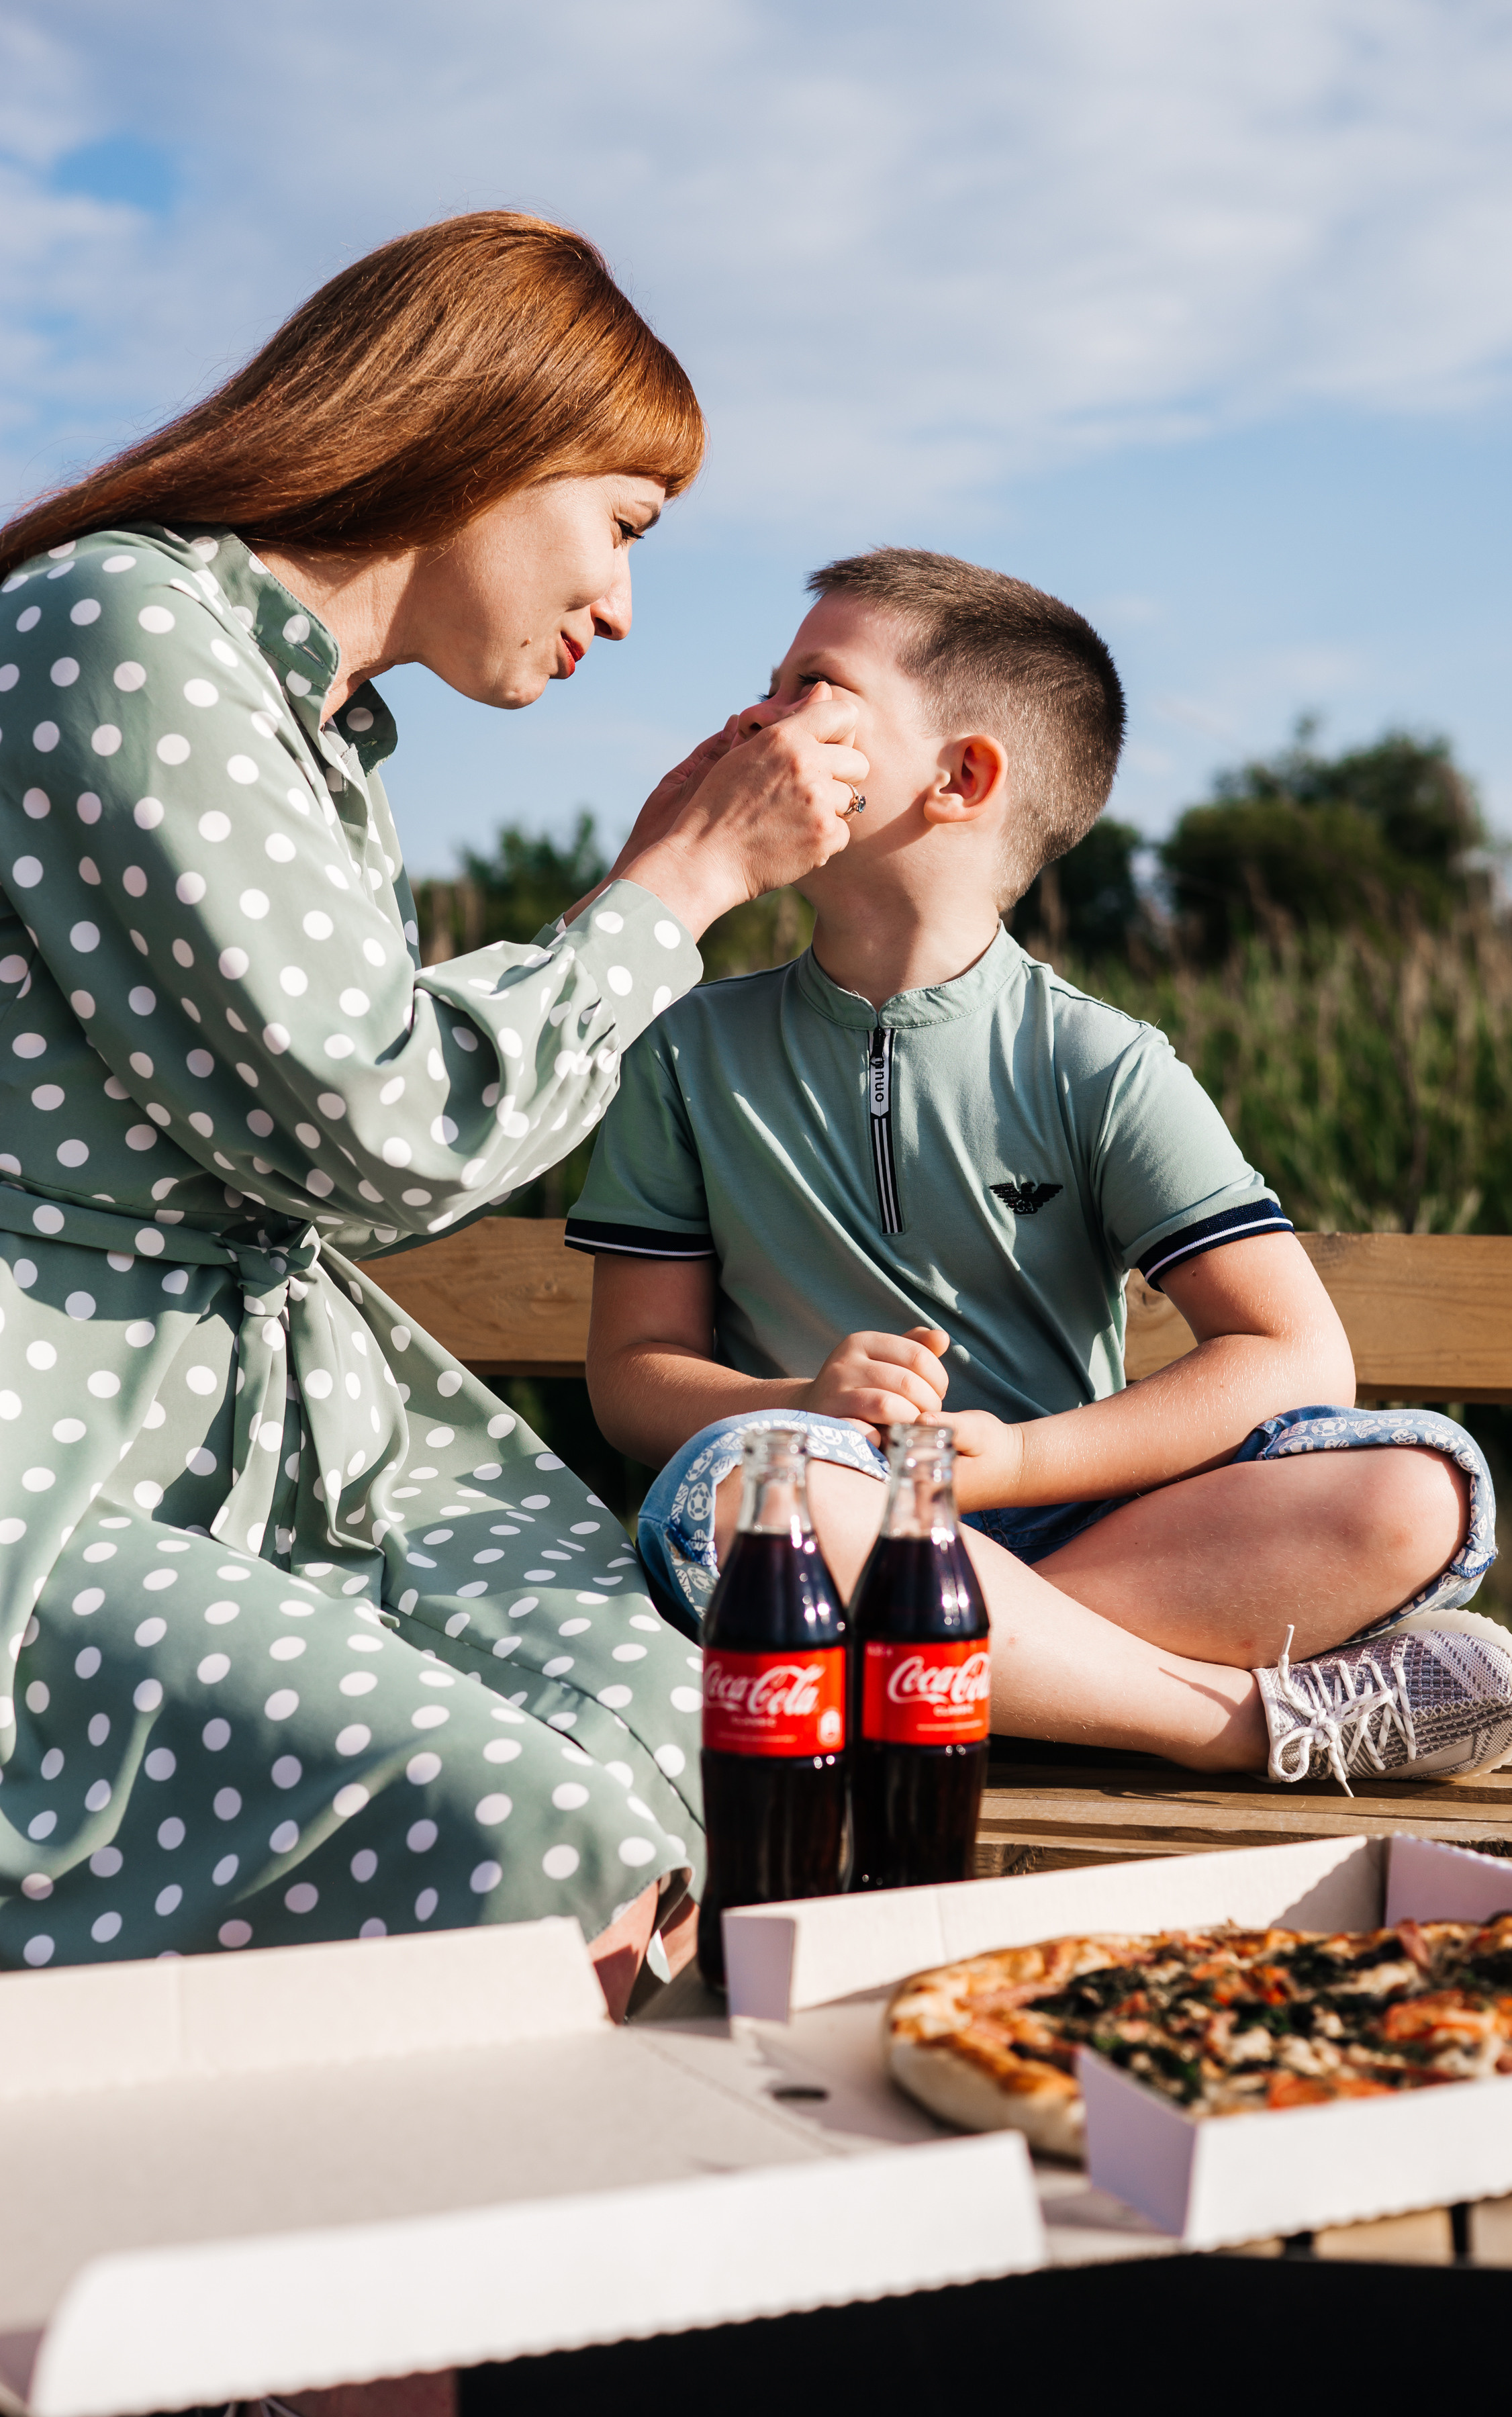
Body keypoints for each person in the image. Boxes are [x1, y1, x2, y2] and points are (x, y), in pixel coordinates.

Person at [0, 212, 869, 2008]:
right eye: (621, 527)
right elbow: (376, 1125)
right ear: (479, 432)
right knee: (530, 1836)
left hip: (268, 1431)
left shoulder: (299, 716)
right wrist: (679, 888)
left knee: (698, 1723)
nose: (625, 607)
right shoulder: (113, 623)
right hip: (59, 1465)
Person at [570, 548, 1512, 1791]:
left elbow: (1296, 1357)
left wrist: (1021, 1464)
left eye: (814, 685)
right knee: (742, 1492)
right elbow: (631, 1381)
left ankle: (947, 1683)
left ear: (962, 777)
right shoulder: (684, 1046)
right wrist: (800, 1408)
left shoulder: (1100, 1062)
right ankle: (1237, 1723)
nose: (758, 716)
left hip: (1087, 1532)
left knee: (1414, 1487)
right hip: (829, 1522)